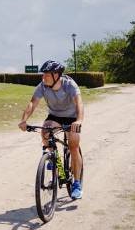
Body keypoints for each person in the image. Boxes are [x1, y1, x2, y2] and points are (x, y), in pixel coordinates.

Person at [18, 60, 85, 199]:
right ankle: (52, 157)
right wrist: (24, 120)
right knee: (45, 132)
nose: (43, 77)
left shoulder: (69, 85)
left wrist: (79, 120)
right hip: (55, 116)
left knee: (73, 145)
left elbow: (79, 103)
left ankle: (77, 183)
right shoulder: (43, 86)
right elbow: (32, 103)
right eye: (43, 75)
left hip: (72, 118)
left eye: (47, 75)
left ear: (56, 75)